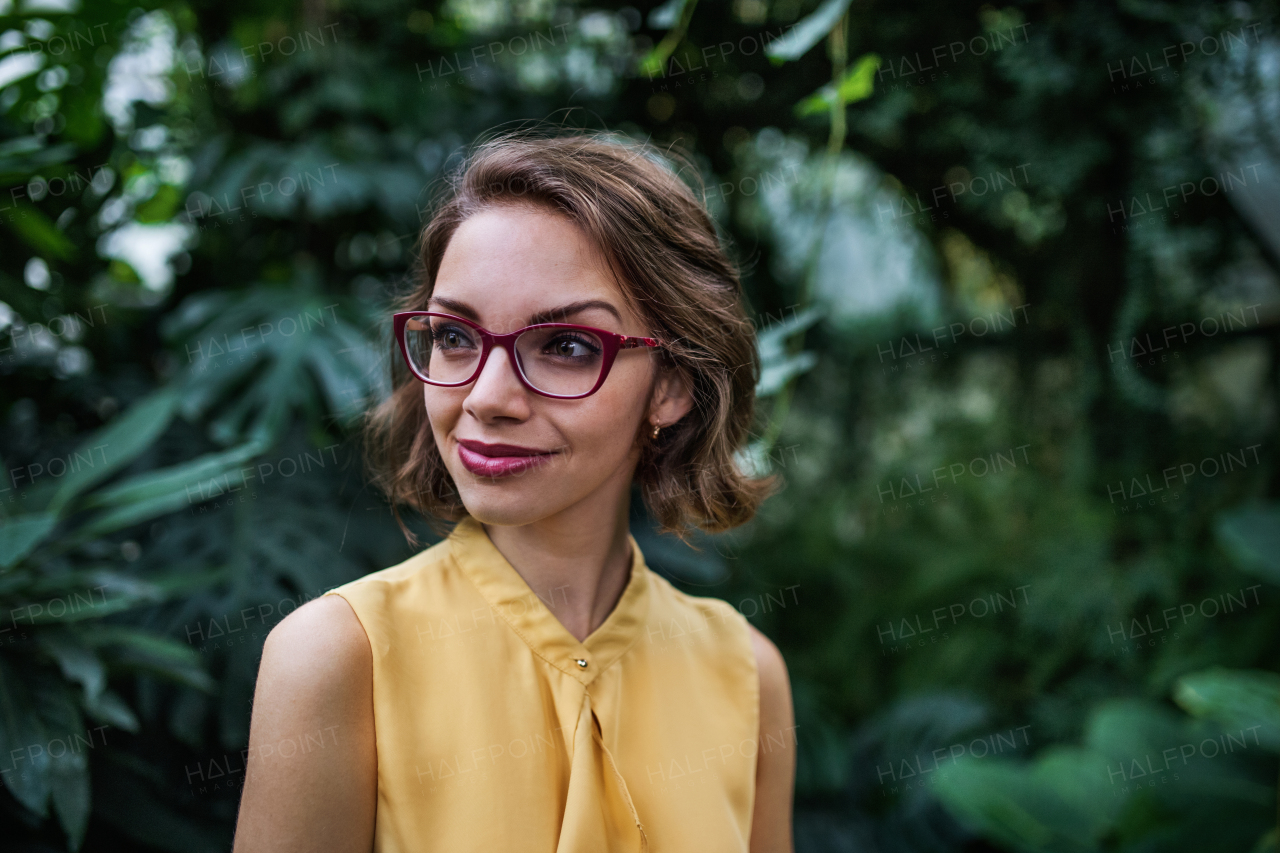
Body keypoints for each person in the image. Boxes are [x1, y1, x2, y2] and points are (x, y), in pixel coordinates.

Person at [232, 132, 796, 853]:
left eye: (564, 345)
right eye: (455, 335)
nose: (487, 397)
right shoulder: (338, 658)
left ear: (671, 386)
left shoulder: (747, 674)